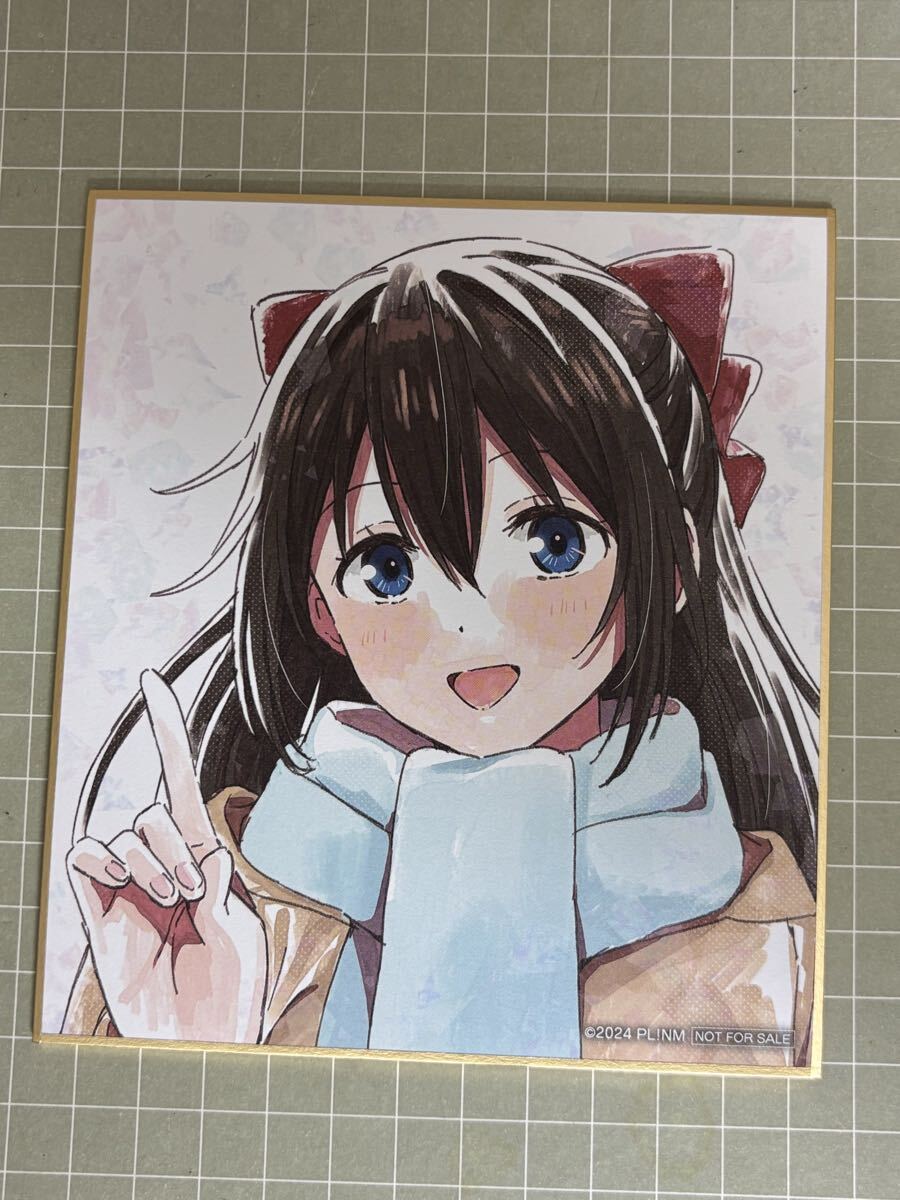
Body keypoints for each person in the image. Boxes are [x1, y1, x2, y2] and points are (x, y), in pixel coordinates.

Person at [62, 237, 818, 1066]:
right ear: (320, 604)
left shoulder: (775, 938)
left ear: (666, 567)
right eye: (387, 566)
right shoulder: (199, 905)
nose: (469, 622)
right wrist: (188, 1052)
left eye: (554, 543)